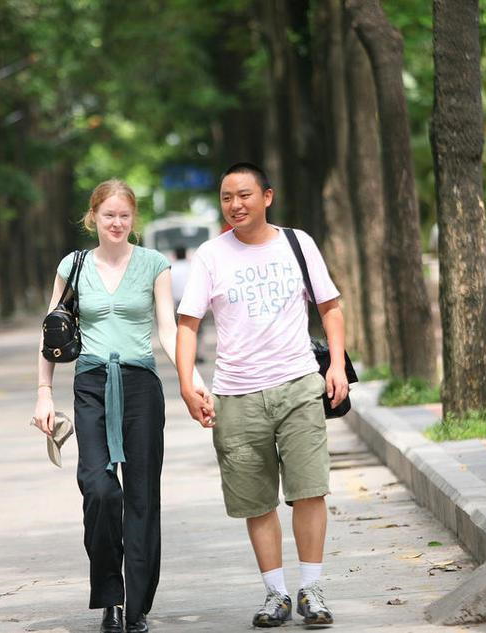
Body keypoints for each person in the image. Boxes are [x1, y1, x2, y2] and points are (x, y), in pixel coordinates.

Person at [31, 179, 212, 633]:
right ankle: (109, 595)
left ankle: (135, 607)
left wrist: (193, 381)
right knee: (100, 490)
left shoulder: (154, 264)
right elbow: (51, 334)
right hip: (91, 384)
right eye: (108, 214)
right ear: (93, 216)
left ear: (134, 220)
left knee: (142, 496)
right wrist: (43, 394)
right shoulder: (72, 266)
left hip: (140, 387)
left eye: (124, 216)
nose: (116, 222)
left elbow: (169, 331)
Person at [174, 162, 347, 628]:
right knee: (257, 501)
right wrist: (188, 381)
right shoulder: (210, 256)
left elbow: (330, 307)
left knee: (310, 490)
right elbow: (188, 324)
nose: (236, 205)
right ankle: (276, 594)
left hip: (297, 386)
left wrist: (336, 365)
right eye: (227, 197)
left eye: (245, 195)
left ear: (267, 197)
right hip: (236, 395)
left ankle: (311, 589)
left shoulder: (298, 243)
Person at [169, 246, 204, 363]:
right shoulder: (191, 266)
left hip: (177, 304)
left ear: (175, 255)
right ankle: (196, 354)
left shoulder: (171, 269)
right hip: (194, 303)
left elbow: (170, 288)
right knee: (197, 331)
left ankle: (181, 355)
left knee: (179, 331)